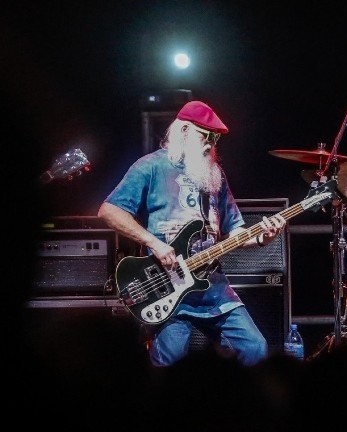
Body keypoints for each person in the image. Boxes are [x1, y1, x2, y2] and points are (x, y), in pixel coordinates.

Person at [98, 100, 285, 367]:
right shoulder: (150, 167)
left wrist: (263, 237)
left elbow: (235, 230)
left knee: (255, 349)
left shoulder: (214, 175)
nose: (210, 145)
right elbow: (109, 211)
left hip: (214, 289)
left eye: (215, 139)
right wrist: (154, 243)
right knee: (168, 362)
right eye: (205, 136)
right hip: (168, 289)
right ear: (184, 130)